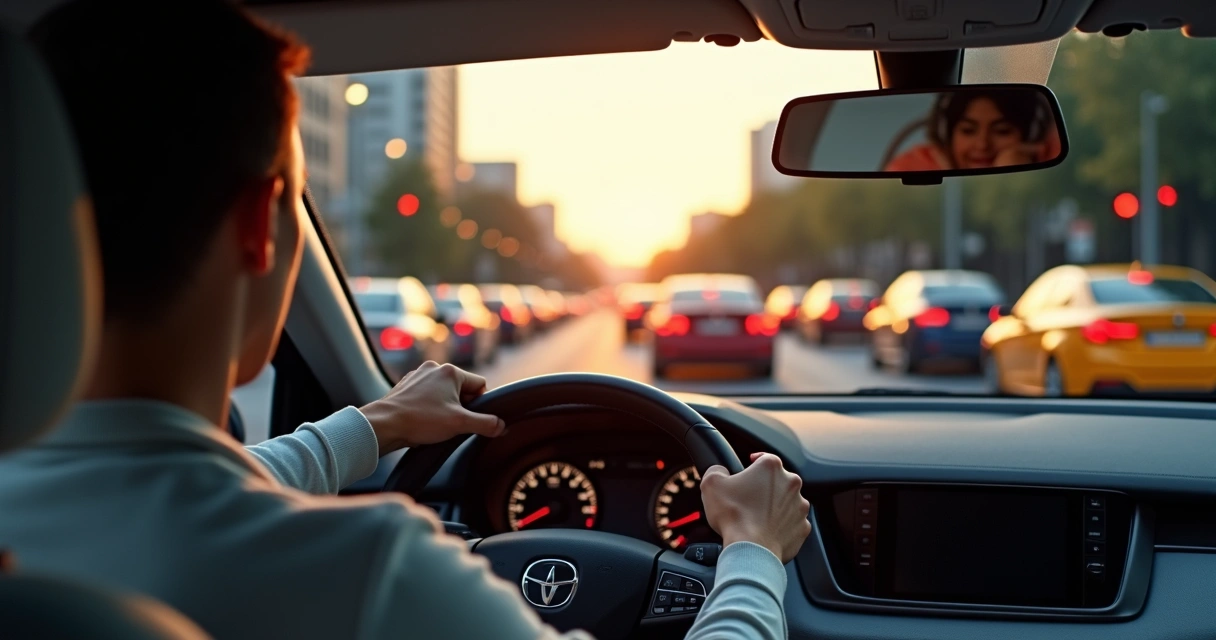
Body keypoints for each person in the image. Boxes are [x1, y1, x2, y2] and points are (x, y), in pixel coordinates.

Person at [0, 2, 812, 639]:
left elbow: (180, 488)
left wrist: (377, 423)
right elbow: (192, 495)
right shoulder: (366, 574)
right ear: (261, 225)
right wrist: (750, 553)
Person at [885, 89, 1061, 172]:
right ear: (947, 135)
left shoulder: (1051, 163)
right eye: (968, 131)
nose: (983, 144)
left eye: (1002, 131)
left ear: (1030, 136)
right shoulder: (910, 169)